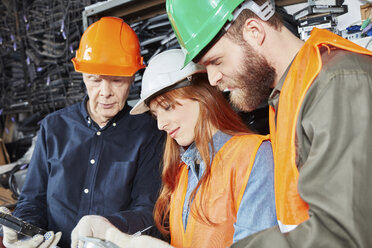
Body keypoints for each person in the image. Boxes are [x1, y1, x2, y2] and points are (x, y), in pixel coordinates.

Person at [165, 0, 372, 247]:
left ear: (254, 31)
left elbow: (343, 235)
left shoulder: (337, 84)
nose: (212, 79)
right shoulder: (286, 95)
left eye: (216, 61)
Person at [84, 49, 277, 248]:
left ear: (203, 96)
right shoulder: (183, 171)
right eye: (155, 115)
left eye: (167, 107)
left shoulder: (255, 156)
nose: (160, 125)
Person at [2, 17, 164, 248]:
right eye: (95, 80)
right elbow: (32, 201)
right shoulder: (53, 128)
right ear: (82, 75)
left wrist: (104, 226)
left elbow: (147, 211)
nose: (105, 92)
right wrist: (27, 233)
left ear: (132, 77)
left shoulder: (150, 132)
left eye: (117, 80)